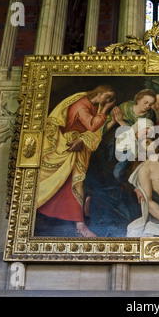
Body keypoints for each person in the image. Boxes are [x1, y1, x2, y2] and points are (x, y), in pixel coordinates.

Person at [36, 85, 116, 237]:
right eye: (107, 97)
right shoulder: (82, 106)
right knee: (72, 185)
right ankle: (80, 225)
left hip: (78, 149)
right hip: (67, 149)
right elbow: (92, 127)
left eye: (110, 99)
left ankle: (81, 222)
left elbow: (96, 131)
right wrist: (105, 110)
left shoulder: (91, 104)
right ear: (98, 93)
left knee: (75, 184)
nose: (108, 101)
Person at [83, 89, 158, 236]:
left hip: (131, 143)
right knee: (110, 174)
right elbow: (116, 129)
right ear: (138, 100)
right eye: (145, 102)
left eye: (151, 104)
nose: (147, 106)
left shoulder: (150, 116)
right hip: (117, 141)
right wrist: (118, 123)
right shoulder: (124, 108)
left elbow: (147, 135)